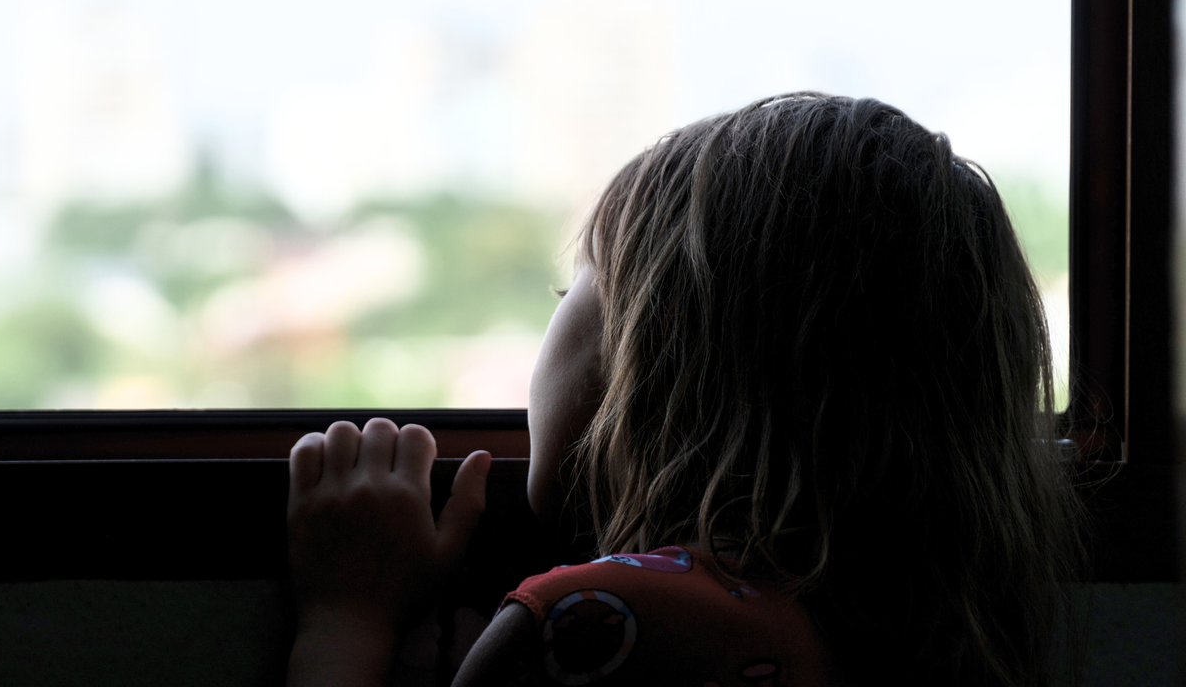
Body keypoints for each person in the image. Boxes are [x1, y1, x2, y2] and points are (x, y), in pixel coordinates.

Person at [285, 93, 1084, 687]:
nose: (558, 321)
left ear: (651, 359)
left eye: (573, 296)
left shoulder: (607, 622)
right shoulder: (915, 633)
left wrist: (348, 617)